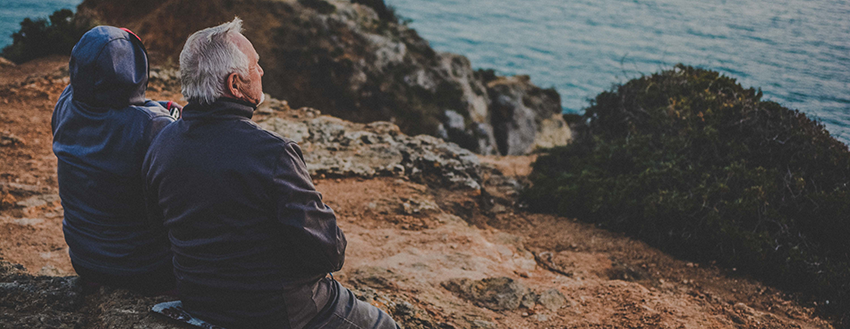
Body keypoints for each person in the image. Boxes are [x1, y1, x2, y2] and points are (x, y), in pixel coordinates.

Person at [142, 18, 400, 329]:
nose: (262, 72)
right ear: (235, 84)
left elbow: (158, 227)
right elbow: (330, 252)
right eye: (256, 65)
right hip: (281, 312)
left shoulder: (162, 143)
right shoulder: (271, 153)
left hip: (199, 300)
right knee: (384, 325)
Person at [52, 26, 180, 294]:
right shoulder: (152, 127)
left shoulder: (65, 104)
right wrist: (168, 113)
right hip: (145, 268)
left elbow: (112, 107)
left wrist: (156, 107)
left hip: (85, 260)